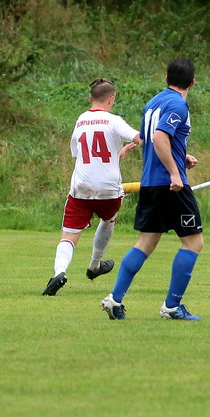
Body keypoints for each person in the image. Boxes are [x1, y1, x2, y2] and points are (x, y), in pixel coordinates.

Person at [101, 58, 202, 320]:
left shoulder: (153, 103)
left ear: (166, 78)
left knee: (146, 242)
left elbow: (149, 139)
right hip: (170, 186)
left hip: (150, 184)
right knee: (193, 242)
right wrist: (174, 172)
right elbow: (159, 137)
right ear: (192, 82)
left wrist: (181, 157)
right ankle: (172, 307)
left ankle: (114, 299)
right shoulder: (178, 104)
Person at [42, 78, 140, 296]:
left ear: (90, 98)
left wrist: (116, 154)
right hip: (109, 189)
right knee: (108, 219)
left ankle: (59, 272)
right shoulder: (114, 120)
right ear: (111, 99)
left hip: (82, 187)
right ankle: (95, 265)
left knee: (69, 236)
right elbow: (139, 138)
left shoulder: (81, 120)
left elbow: (82, 155)